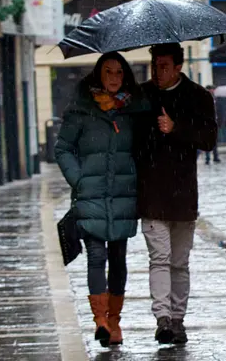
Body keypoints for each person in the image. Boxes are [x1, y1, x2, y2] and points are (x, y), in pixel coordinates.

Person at [55, 52, 150, 347]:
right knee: (96, 256)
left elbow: (144, 149)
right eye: (108, 71)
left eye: (119, 72)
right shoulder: (81, 109)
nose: (113, 77)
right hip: (91, 195)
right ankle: (100, 321)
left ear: (125, 76)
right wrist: (78, 179)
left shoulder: (133, 110)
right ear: (98, 74)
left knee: (118, 259)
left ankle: (115, 321)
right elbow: (63, 148)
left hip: (122, 196)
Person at [134, 43, 218, 345]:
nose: (159, 71)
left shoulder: (198, 96)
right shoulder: (141, 95)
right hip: (152, 193)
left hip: (183, 193)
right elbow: (133, 141)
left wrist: (176, 127)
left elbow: (209, 139)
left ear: (179, 66)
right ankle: (163, 319)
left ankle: (178, 318)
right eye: (155, 65)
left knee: (179, 261)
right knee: (159, 258)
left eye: (165, 66)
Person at [201, 85, 221, 165]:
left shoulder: (215, 99)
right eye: (212, 89)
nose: (213, 91)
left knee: (214, 142)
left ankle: (215, 157)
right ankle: (208, 158)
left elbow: (217, 110)